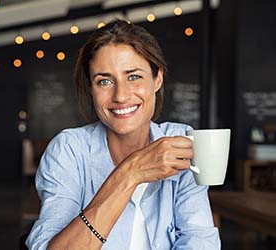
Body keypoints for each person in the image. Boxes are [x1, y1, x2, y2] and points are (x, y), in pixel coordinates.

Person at [26, 19, 220, 250]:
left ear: (157, 79)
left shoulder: (181, 142)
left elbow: (200, 240)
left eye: (134, 76)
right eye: (105, 81)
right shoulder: (68, 151)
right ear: (91, 88)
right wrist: (129, 174)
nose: (120, 96)